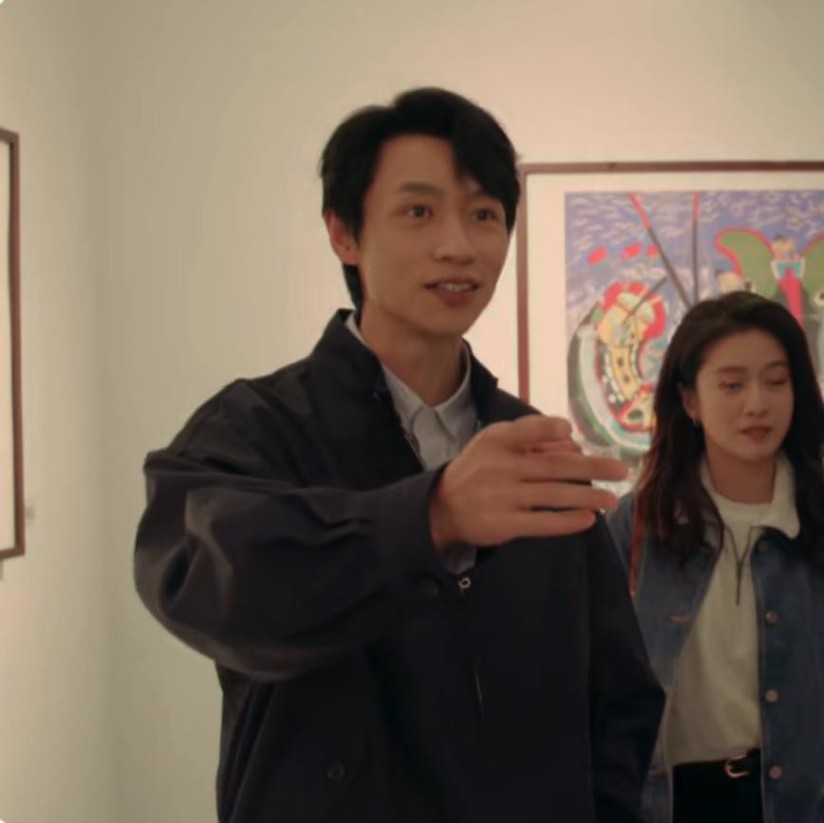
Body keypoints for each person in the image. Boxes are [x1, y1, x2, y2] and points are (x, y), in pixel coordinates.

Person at [133, 87, 665, 823]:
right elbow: (202, 582)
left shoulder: (531, 448)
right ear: (343, 234)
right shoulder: (256, 428)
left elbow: (617, 697)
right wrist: (431, 517)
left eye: (484, 214)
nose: (458, 245)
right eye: (418, 212)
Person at [606, 292, 824, 823]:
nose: (757, 404)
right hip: (666, 805)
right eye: (732, 385)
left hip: (799, 806)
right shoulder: (639, 528)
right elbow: (586, 685)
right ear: (690, 400)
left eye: (776, 381)